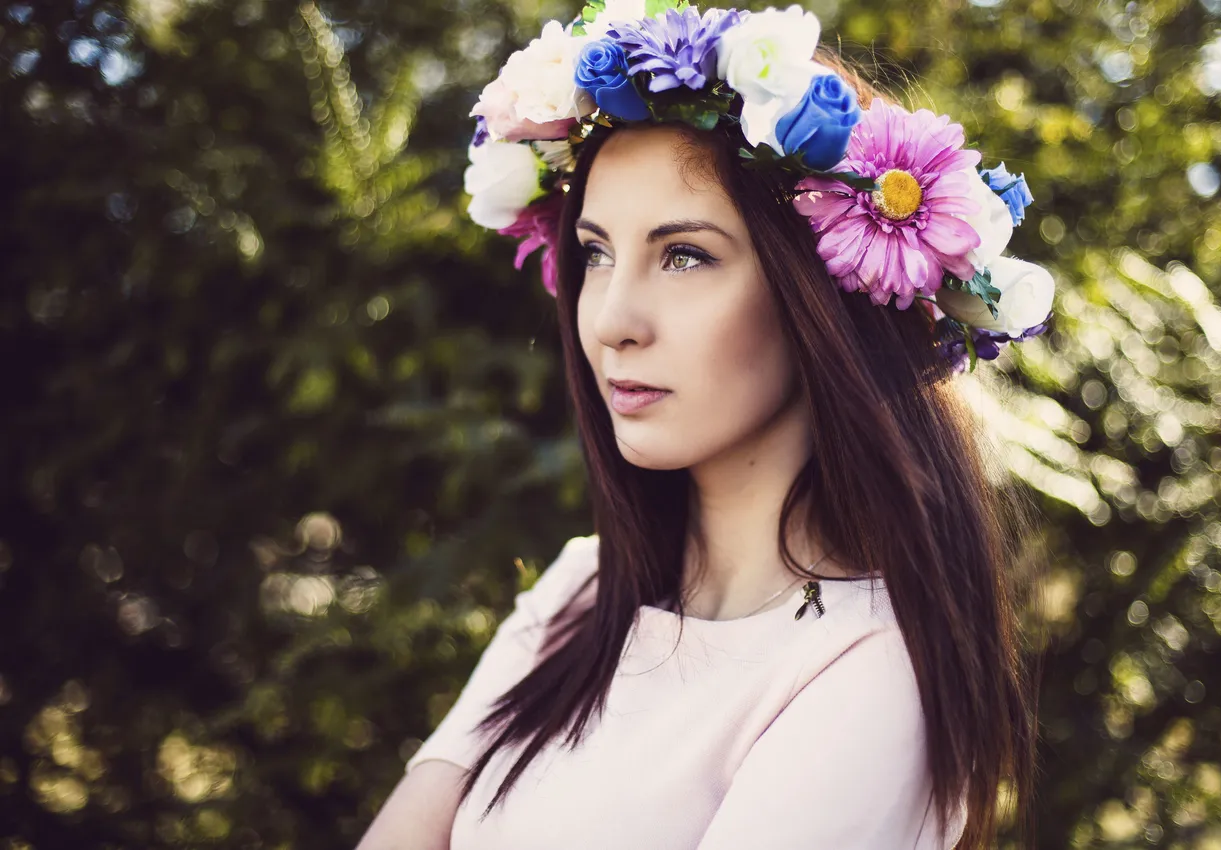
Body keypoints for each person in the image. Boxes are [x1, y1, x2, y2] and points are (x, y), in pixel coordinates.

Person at [359, 5, 1046, 848]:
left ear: (819, 299)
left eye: (684, 255)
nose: (612, 319)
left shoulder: (864, 677)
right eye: (597, 253)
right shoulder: (582, 592)